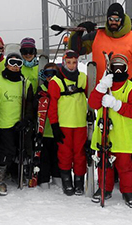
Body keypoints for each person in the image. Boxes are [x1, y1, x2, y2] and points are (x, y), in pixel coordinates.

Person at [88, 54, 132, 208]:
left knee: (125, 166)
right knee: (104, 163)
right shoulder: (105, 85)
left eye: (121, 68)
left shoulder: (130, 87)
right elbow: (93, 103)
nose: (118, 72)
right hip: (105, 132)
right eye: (115, 68)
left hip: (122, 134)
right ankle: (105, 188)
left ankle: (128, 191)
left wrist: (116, 104)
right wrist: (101, 88)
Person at [0, 53, 35, 196]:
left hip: (19, 123)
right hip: (4, 122)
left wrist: (27, 119)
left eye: (18, 63)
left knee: (20, 149)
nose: (15, 67)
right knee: (6, 151)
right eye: (12, 63)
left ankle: (16, 173)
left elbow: (30, 104)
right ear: (6, 64)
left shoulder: (25, 83)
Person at [68, 2, 132, 82]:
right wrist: (78, 32)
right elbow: (75, 50)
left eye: (117, 19)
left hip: (124, 91)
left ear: (122, 20)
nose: (114, 22)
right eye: (111, 19)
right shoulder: (96, 36)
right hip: (99, 90)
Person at [47, 51, 88, 196]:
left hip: (80, 123)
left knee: (80, 154)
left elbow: (91, 96)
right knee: (65, 154)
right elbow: (51, 106)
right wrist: (54, 125)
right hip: (64, 124)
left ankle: (79, 181)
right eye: (68, 62)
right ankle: (66, 180)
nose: (71, 65)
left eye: (74, 62)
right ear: (63, 62)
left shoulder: (83, 78)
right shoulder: (55, 81)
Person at [37, 63, 61, 188]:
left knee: (57, 154)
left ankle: (57, 176)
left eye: (54, 74)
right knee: (44, 156)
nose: (50, 77)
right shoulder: (41, 89)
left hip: (57, 128)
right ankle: (44, 177)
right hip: (44, 129)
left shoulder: (61, 87)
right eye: (47, 74)